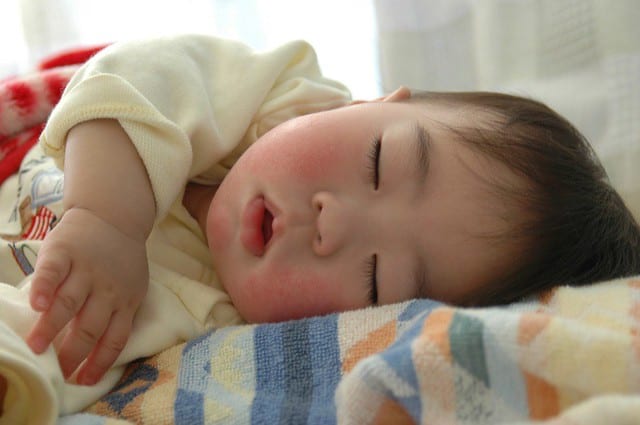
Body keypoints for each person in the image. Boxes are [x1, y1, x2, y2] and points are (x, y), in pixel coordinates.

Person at [0, 34, 639, 420]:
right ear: (372, 104)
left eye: (375, 275)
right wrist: (107, 219)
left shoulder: (205, 322)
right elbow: (139, 74)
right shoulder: (275, 95)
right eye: (379, 162)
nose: (336, 222)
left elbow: (50, 344)